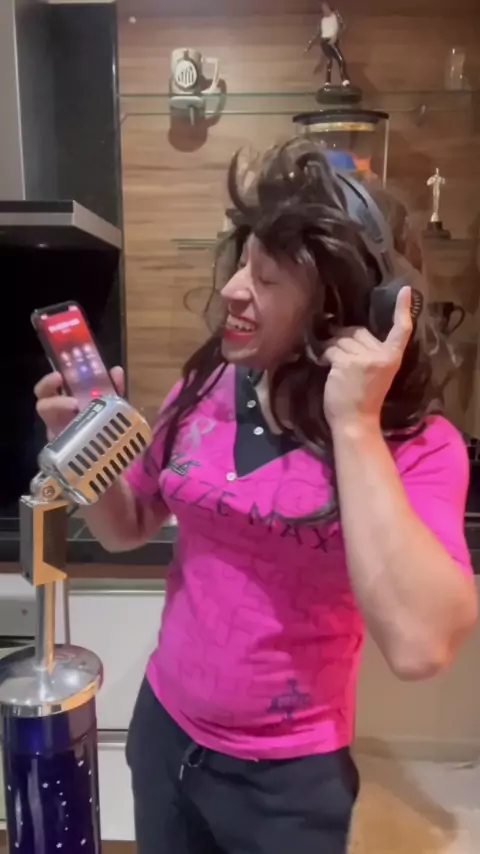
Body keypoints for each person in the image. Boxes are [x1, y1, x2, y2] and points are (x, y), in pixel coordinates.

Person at [35, 138, 478, 854]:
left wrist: (353, 422)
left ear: (343, 310)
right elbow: (127, 526)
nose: (235, 291)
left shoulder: (415, 447)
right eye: (243, 264)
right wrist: (84, 450)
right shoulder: (206, 384)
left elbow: (421, 645)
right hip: (164, 735)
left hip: (290, 784)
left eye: (267, 279)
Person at [306, 1, 351, 88]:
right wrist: (310, 45)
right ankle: (327, 82)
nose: (325, 9)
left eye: (326, 7)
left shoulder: (336, 15)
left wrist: (336, 36)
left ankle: (344, 79)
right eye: (323, 8)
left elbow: (343, 26)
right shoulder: (322, 20)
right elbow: (318, 34)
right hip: (324, 42)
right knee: (329, 60)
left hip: (333, 40)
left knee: (341, 60)